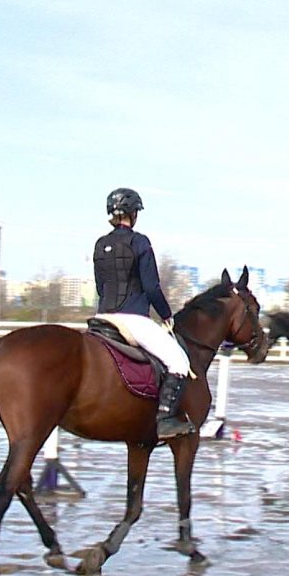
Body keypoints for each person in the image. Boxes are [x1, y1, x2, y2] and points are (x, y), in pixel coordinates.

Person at [93, 187, 194, 439]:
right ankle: (164, 419)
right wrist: (166, 314)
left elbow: (99, 286)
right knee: (179, 363)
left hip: (102, 318)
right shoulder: (140, 242)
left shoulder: (100, 244)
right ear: (133, 213)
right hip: (133, 319)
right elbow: (151, 286)